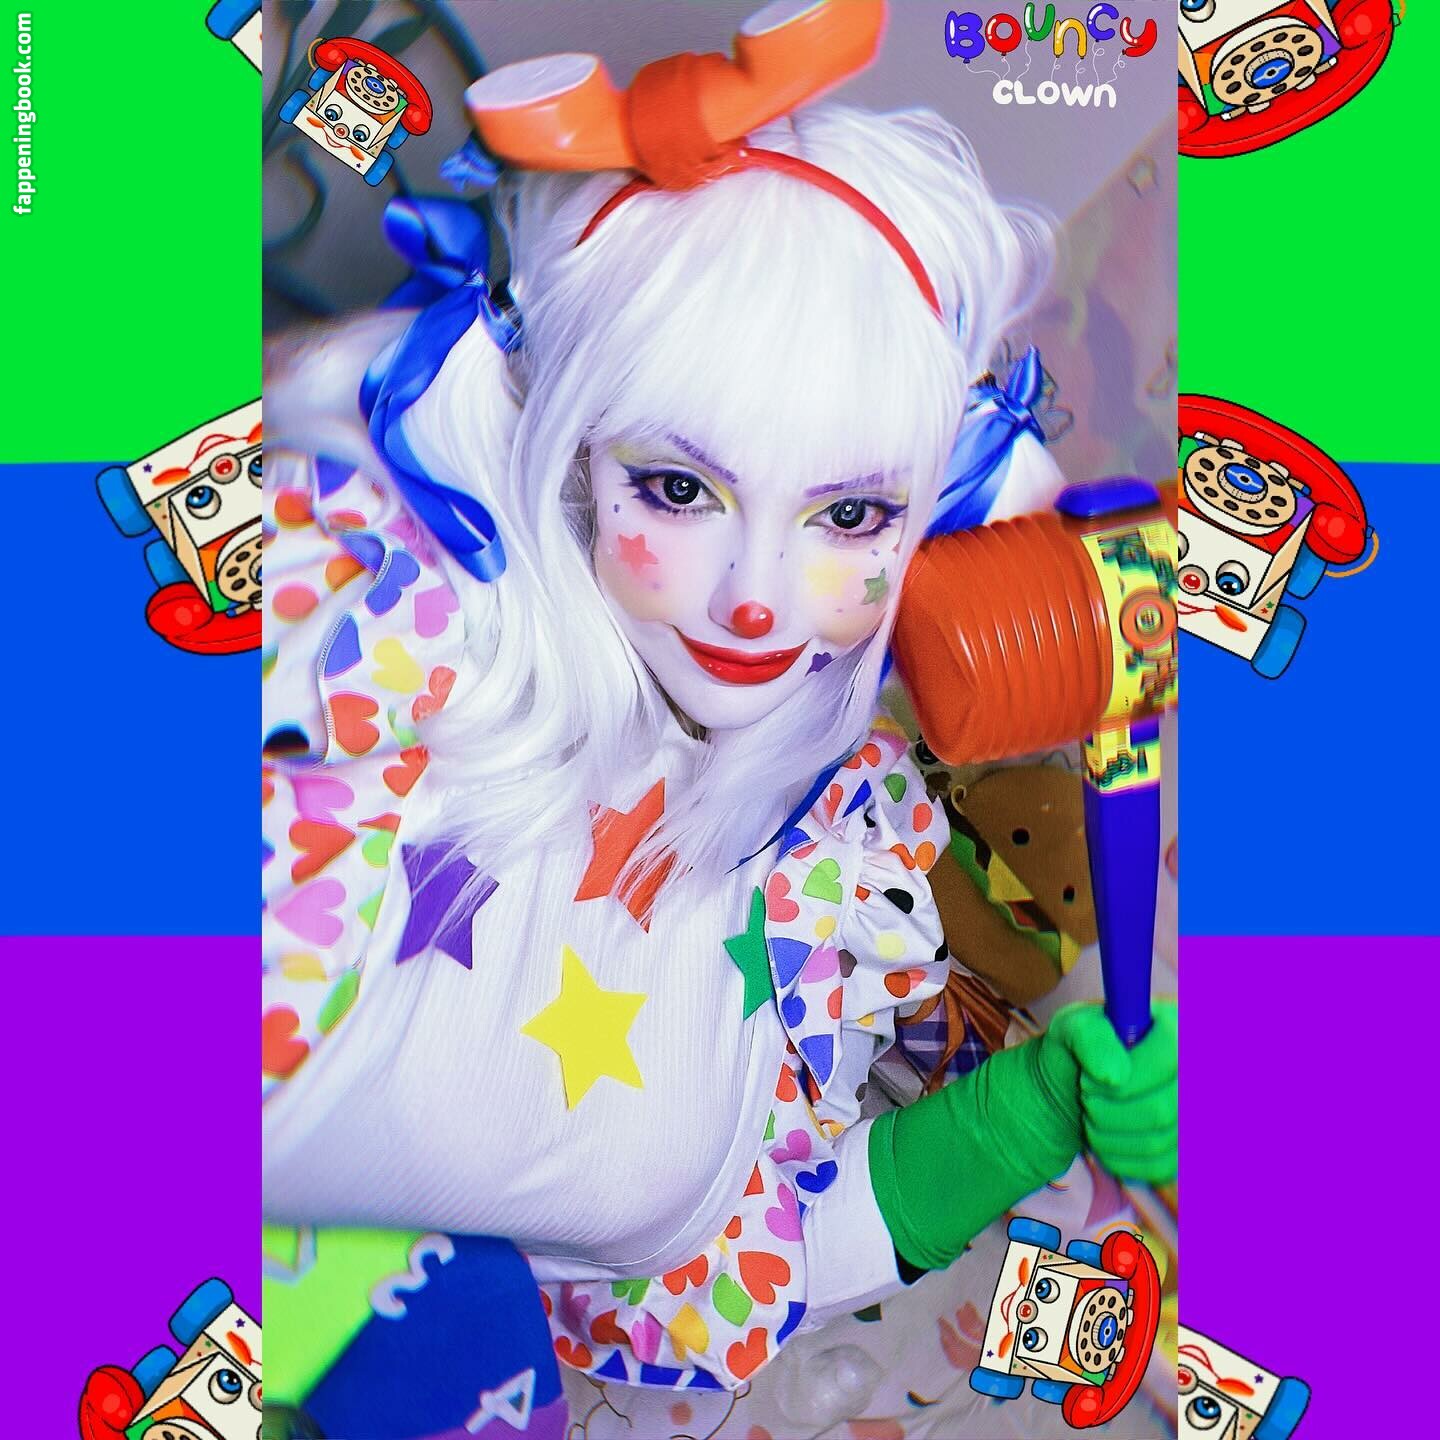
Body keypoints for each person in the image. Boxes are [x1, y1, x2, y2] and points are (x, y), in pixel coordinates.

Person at [261, 21, 1176, 1406]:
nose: (756, 601)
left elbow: (750, 1273)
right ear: (570, 448)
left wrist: (1024, 1116)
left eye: (848, 513)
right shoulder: (400, 634)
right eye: (680, 490)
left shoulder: (832, 851)